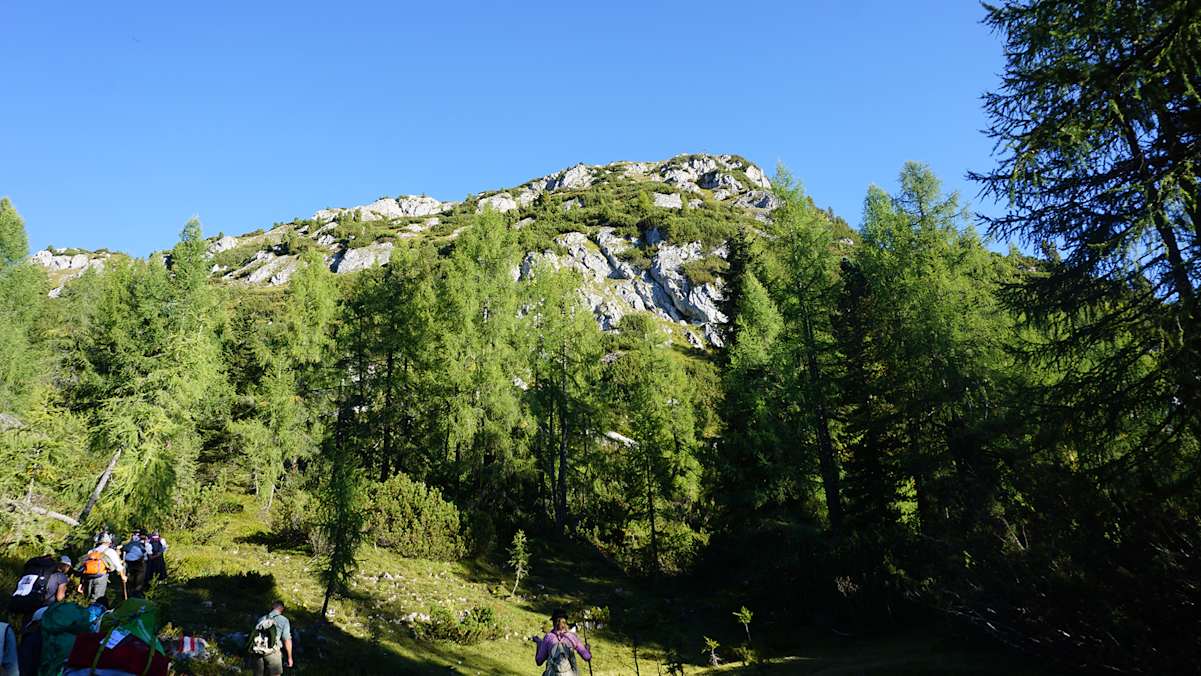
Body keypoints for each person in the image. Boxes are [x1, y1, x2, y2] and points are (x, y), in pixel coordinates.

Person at [535, 608, 591, 676]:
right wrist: (587, 649)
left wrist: (539, 644)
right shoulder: (572, 637)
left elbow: (539, 661)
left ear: (554, 622)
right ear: (565, 622)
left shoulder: (548, 638)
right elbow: (587, 657)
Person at [248, 600, 293, 676]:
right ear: (282, 609)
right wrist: (289, 657)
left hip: (258, 652)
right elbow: (287, 640)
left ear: (272, 608)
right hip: (273, 652)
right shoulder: (284, 620)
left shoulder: (261, 619)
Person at [79, 533, 125, 603]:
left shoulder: (91, 551)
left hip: (88, 577)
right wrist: (123, 576)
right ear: (109, 542)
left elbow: (84, 566)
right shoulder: (109, 551)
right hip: (101, 577)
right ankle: (94, 612)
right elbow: (118, 566)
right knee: (97, 599)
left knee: (87, 597)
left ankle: (86, 610)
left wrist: (81, 583)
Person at [123, 531, 148, 597]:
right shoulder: (140, 544)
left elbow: (124, 549)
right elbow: (144, 551)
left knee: (131, 576)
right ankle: (137, 591)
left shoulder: (128, 544)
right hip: (138, 562)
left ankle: (130, 591)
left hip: (129, 562)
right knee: (139, 577)